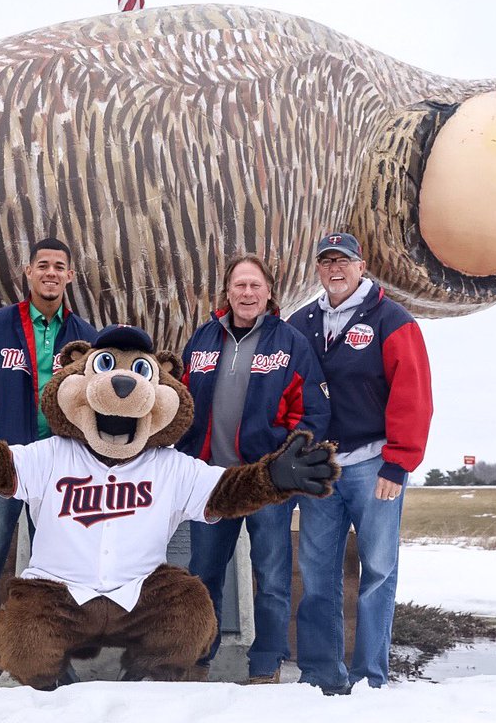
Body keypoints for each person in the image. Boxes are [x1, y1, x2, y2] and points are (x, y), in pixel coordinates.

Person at [289, 232, 433, 693]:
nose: (335, 269)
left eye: (344, 261)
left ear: (362, 265)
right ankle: (321, 675)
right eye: (326, 261)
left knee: (377, 571)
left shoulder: (392, 320)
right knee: (316, 573)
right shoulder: (302, 322)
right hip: (321, 468)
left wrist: (399, 463)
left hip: (375, 465)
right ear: (317, 269)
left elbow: (414, 396)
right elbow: (289, 390)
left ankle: (370, 677)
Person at [0, 237, 98, 689]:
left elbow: (96, 399)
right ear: (27, 272)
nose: (51, 273)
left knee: (56, 576)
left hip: (61, 472)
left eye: (60, 266)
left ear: (71, 275)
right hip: (5, 466)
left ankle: (54, 662)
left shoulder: (88, 338)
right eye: (43, 265)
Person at [176, 253, 329, 683]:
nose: (247, 293)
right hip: (213, 483)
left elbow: (313, 412)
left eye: (255, 286)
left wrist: (285, 463)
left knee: (273, 577)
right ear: (227, 291)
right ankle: (198, 661)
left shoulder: (291, 343)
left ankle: (266, 665)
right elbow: (183, 407)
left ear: (268, 293)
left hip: (265, 483)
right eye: (240, 285)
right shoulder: (203, 339)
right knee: (203, 574)